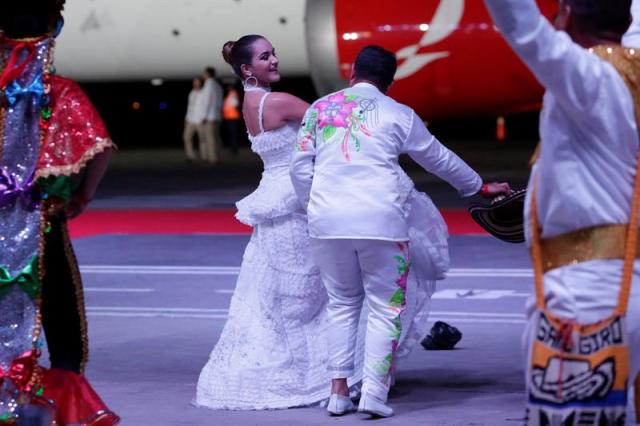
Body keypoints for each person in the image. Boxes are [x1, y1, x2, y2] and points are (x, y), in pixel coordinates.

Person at [194, 35, 460, 411]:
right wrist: (385, 116)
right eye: (265, 56)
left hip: (273, 204)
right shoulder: (281, 101)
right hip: (304, 202)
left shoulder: (252, 104)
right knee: (341, 296)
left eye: (274, 52)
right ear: (246, 69)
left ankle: (330, 383)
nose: (274, 59)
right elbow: (339, 117)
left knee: (284, 304)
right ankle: (350, 381)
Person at [289, 45, 510, 417]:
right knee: (385, 308)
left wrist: (315, 206)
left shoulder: (320, 108)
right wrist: (478, 186)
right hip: (381, 223)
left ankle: (338, 393)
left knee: (342, 305)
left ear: (353, 71)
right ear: (390, 82)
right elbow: (438, 157)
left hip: (327, 223)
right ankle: (374, 393)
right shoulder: (399, 114)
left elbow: (299, 168)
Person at [482, 0, 640, 423]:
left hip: (587, 293)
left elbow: (521, 24)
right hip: (625, 277)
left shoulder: (591, 77)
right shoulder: (632, 73)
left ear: (566, 15)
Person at [0, 1, 119, 424]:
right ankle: (58, 410)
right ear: (56, 27)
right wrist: (81, 197)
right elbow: (98, 148)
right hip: (41, 225)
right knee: (64, 327)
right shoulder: (59, 90)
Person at [201, 66, 224, 164]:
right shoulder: (217, 85)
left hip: (210, 116)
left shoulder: (208, 85)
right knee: (216, 137)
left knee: (210, 138)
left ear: (207, 74)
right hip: (217, 115)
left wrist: (204, 116)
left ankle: (213, 158)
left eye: (204, 73)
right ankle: (218, 157)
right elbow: (220, 101)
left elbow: (207, 101)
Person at [183, 77, 207, 161]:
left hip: (200, 119)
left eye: (197, 82)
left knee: (202, 138)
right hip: (191, 119)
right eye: (194, 82)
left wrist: (204, 117)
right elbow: (189, 107)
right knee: (186, 137)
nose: (195, 84)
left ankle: (204, 156)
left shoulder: (204, 93)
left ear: (200, 83)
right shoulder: (191, 93)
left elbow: (206, 106)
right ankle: (190, 156)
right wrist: (186, 118)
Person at [222, 83, 242, 155]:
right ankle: (233, 147)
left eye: (229, 87)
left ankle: (234, 148)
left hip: (232, 117)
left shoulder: (233, 94)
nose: (228, 89)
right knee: (232, 133)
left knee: (233, 134)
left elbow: (235, 103)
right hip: (230, 117)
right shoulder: (231, 94)